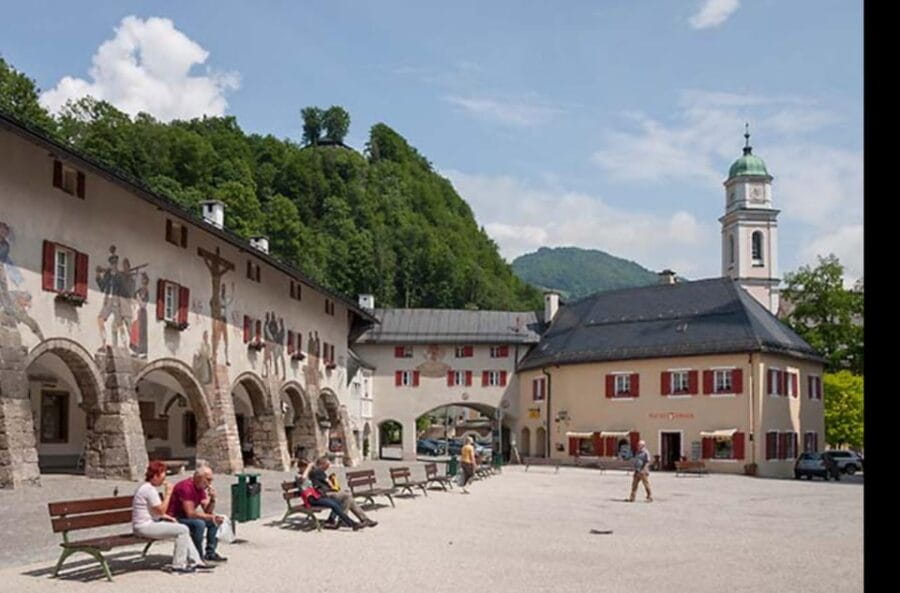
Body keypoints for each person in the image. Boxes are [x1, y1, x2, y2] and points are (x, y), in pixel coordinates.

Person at [132, 461, 209, 574]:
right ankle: (178, 565)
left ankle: (196, 561)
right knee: (183, 529)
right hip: (143, 527)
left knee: (180, 528)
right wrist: (168, 493)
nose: (164, 478)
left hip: (149, 523)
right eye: (163, 474)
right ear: (155, 475)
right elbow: (161, 510)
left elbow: (156, 512)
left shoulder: (148, 488)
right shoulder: (149, 490)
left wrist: (168, 517)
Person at [167, 465, 228, 563]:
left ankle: (210, 552)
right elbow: (190, 513)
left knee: (213, 522)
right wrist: (211, 517)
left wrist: (212, 499)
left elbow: (207, 511)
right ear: (199, 477)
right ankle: (198, 555)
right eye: (208, 479)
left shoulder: (200, 488)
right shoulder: (186, 487)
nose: (210, 483)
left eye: (211, 480)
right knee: (199, 524)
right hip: (175, 517)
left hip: (186, 516)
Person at [309, 456, 377, 528]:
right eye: (326, 466)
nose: (327, 468)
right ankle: (360, 519)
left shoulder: (316, 471)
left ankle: (361, 519)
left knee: (348, 498)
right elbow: (330, 485)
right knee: (347, 496)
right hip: (324, 494)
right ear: (322, 464)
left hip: (327, 492)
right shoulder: (318, 471)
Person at [296, 459, 361, 530]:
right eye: (305, 467)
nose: (308, 468)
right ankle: (352, 523)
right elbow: (303, 478)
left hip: (317, 496)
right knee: (334, 505)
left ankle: (331, 520)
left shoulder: (308, 474)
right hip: (311, 499)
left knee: (338, 502)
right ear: (300, 467)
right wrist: (308, 466)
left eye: (307, 466)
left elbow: (317, 474)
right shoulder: (298, 476)